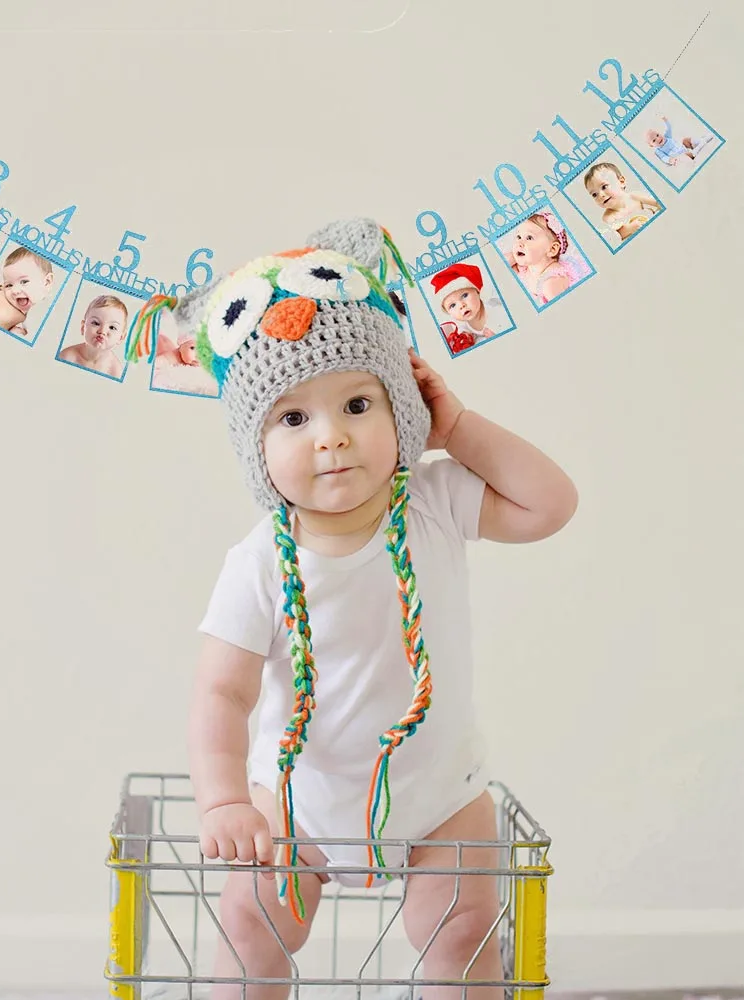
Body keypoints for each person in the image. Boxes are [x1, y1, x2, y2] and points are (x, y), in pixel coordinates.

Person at [123, 218, 578, 999]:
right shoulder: (261, 562)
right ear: (255, 448)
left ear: (403, 410)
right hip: (296, 801)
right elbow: (222, 693)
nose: (331, 438)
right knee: (251, 922)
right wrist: (226, 801)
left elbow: (550, 505)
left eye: (359, 404)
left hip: (440, 793)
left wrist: (458, 429)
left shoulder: (434, 501)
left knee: (463, 932)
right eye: (294, 419)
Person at [582, 161, 661, 241]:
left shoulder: (634, 196)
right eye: (594, 194)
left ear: (621, 182)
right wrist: (629, 229)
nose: (601, 195)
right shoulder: (609, 217)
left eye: (604, 187)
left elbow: (658, 202)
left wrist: (655, 211)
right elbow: (613, 238)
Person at [57, 294, 127, 377]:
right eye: (96, 323)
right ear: (83, 327)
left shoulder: (115, 371)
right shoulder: (67, 357)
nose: (102, 331)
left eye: (112, 327)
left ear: (121, 338)